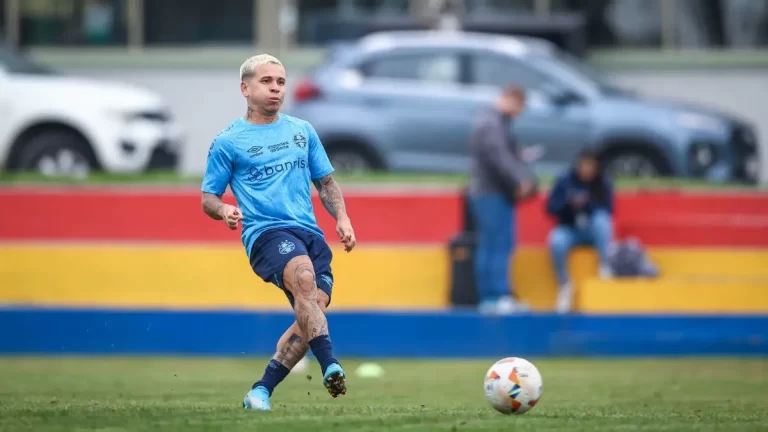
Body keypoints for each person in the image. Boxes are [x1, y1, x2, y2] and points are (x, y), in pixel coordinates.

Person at [200, 54, 356, 411]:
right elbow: (208, 197)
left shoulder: (302, 131)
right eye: (266, 81)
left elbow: (326, 183)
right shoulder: (228, 141)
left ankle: (260, 391)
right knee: (303, 275)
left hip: (310, 234)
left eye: (281, 82)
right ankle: (330, 363)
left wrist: (342, 218)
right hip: (266, 235)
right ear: (245, 88)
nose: (275, 88)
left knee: (310, 315)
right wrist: (224, 209)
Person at [468, 84, 539, 315]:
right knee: (499, 244)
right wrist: (521, 179)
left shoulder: (492, 121)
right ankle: (497, 296)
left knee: (491, 244)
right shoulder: (492, 123)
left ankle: (490, 298)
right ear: (511, 100)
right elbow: (499, 157)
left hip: (487, 192)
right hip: (492, 193)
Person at [546, 149, 615, 313]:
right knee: (556, 240)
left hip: (592, 230)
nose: (587, 169)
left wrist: (587, 204)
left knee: (602, 222)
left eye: (591, 166)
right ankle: (564, 285)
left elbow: (609, 209)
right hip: (570, 228)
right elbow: (550, 208)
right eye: (584, 165)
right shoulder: (564, 180)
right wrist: (569, 204)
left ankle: (605, 267)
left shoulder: (602, 182)